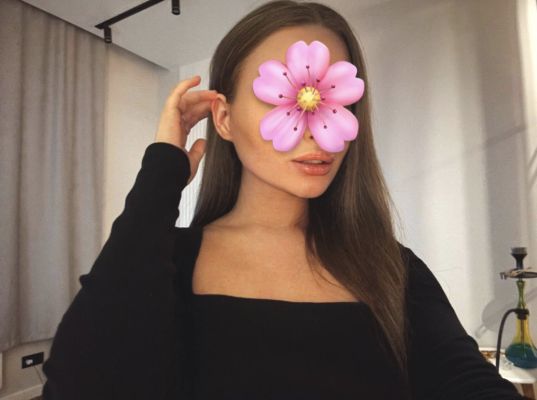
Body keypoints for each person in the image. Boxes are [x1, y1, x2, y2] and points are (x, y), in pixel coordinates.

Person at [41, 1, 528, 399]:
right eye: (286, 94)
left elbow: (465, 380)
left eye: (334, 98)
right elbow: (83, 382)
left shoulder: (392, 269)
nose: (316, 122)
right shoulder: (165, 260)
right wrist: (160, 174)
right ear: (224, 118)